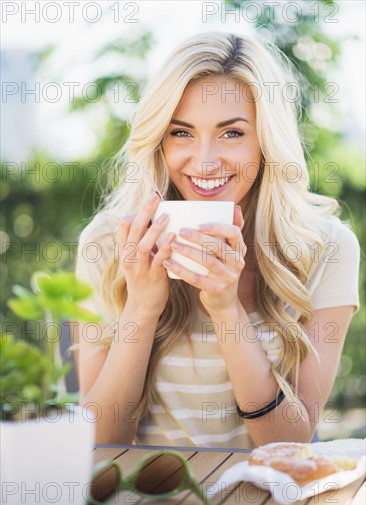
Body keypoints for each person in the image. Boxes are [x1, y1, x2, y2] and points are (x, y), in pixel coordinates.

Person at [75, 31, 360, 447]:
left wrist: (226, 309)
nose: (205, 161)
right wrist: (142, 305)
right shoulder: (106, 243)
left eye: (232, 134)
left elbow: (291, 442)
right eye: (181, 133)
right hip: (152, 503)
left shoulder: (326, 249)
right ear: (158, 140)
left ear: (267, 139)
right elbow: (100, 443)